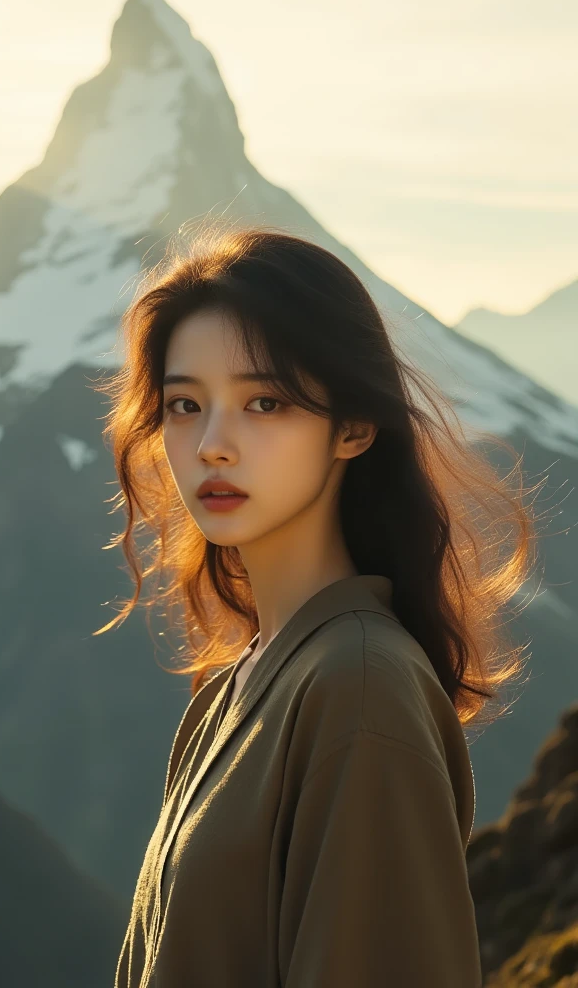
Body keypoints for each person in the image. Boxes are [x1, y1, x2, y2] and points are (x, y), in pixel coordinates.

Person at [94, 222, 536, 987]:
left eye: (265, 403)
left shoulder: (360, 684)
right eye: (184, 405)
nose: (213, 445)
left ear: (354, 428)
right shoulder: (238, 687)